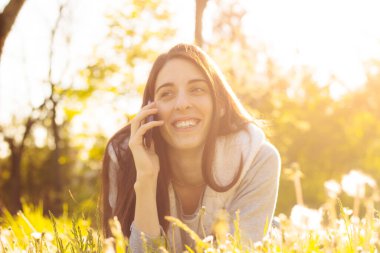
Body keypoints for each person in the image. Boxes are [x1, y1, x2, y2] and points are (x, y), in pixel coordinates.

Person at [102, 43, 281, 252]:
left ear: (220, 105)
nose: (182, 104)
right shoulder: (124, 156)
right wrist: (146, 178)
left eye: (196, 89)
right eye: (167, 94)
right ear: (151, 111)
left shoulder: (257, 158)